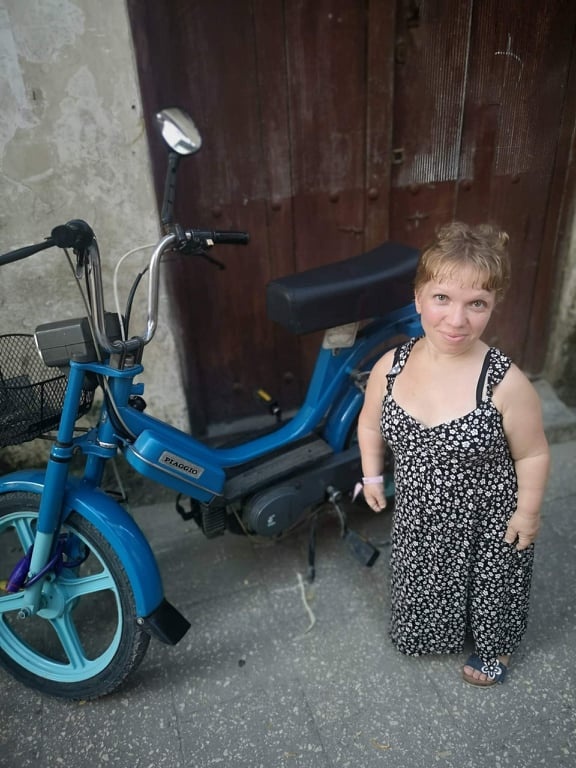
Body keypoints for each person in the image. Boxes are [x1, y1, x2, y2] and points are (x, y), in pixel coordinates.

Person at [357, 221, 550, 686]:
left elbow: (533, 454)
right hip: (421, 513)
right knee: (426, 579)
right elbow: (369, 425)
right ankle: (436, 630)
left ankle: (495, 646)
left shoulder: (505, 383)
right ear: (418, 297)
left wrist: (528, 514)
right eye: (442, 298)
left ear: (493, 305)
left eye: (476, 303)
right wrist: (372, 476)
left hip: (488, 517)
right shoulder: (390, 367)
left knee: (492, 587)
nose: (457, 319)